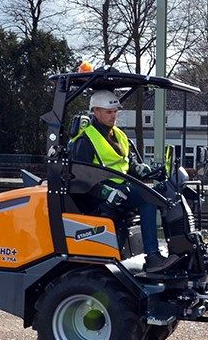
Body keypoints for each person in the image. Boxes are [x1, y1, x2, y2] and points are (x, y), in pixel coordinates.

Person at [70, 89, 166, 271]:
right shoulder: (85, 140)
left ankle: (176, 251)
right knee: (148, 198)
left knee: (163, 192)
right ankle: (152, 257)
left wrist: (142, 169)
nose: (113, 116)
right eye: (108, 112)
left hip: (123, 187)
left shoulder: (119, 135)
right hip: (102, 193)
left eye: (115, 112)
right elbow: (80, 177)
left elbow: (128, 163)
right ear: (96, 112)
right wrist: (104, 192)